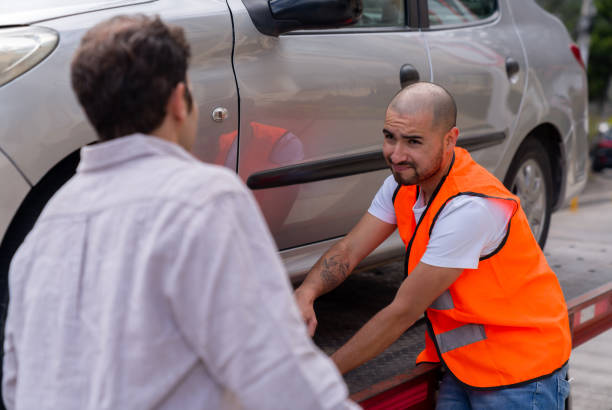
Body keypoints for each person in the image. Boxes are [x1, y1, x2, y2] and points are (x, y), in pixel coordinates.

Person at [2, 14, 359, 410]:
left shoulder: (42, 233)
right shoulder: (203, 199)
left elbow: (17, 385)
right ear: (178, 99)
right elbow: (276, 371)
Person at [294, 82, 572, 409]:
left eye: (413, 141)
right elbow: (351, 249)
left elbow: (402, 312)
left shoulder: (470, 208)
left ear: (450, 139)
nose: (396, 155)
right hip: (465, 367)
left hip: (521, 372)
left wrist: (325, 373)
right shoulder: (403, 183)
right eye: (389, 137)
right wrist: (306, 292)